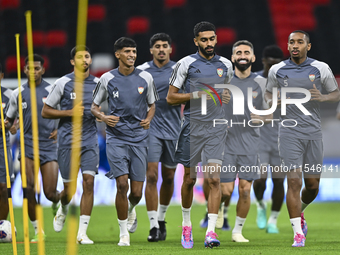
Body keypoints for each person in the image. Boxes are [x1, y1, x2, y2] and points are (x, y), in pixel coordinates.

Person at [265, 30, 340, 247]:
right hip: (288, 132)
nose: (294, 45)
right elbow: (269, 94)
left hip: (313, 132)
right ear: (287, 46)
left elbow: (335, 93)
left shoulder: (320, 68)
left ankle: (301, 211)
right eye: (291, 42)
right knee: (294, 180)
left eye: (299, 42)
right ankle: (298, 233)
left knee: (313, 185)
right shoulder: (278, 70)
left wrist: (324, 97)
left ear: (309, 46)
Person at [167, 21, 233, 249]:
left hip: (216, 128)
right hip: (193, 127)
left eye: (211, 39)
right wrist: (197, 94)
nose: (208, 43)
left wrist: (225, 97)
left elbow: (226, 92)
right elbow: (171, 97)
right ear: (196, 41)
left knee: (214, 179)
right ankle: (186, 225)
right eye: (203, 40)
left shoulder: (226, 65)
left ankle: (211, 232)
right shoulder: (185, 64)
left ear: (216, 39)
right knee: (189, 179)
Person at [91, 37, 158, 247]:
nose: (132, 55)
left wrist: (148, 119)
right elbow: (93, 107)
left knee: (137, 192)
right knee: (121, 185)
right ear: (118, 54)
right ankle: (123, 234)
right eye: (127, 51)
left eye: (134, 51)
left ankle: (131, 208)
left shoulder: (145, 77)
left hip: (139, 138)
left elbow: (152, 105)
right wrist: (103, 117)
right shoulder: (107, 78)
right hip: (116, 137)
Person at [41, 46, 99, 244]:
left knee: (89, 183)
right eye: (80, 57)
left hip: (90, 139)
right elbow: (46, 111)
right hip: (67, 142)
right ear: (72, 62)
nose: (85, 60)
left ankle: (82, 233)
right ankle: (63, 208)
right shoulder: (63, 83)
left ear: (90, 61)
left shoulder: (99, 84)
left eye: (87, 56)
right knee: (69, 191)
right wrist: (69, 113)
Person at [5, 55, 60, 242]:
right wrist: (11, 125)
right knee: (28, 188)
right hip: (27, 146)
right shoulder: (17, 93)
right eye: (30, 68)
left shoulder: (52, 90)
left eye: (37, 68)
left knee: (50, 192)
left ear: (43, 70)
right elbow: (10, 119)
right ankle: (39, 231)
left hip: (49, 146)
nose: (33, 71)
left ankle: (57, 202)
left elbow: (65, 115)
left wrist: (60, 130)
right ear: (24, 70)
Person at [220, 40, 270, 243]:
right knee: (226, 190)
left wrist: (261, 117)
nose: (242, 55)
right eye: (238, 52)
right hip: (226, 143)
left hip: (250, 143)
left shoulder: (261, 83)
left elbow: (272, 113)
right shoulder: (224, 82)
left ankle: (237, 231)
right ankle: (219, 207)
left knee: (245, 189)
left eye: (246, 52)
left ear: (253, 58)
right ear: (233, 57)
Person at [137, 33, 181, 242]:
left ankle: (162, 219)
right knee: (152, 175)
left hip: (174, 128)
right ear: (151, 50)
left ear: (170, 49)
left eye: (165, 45)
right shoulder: (142, 71)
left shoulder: (179, 70)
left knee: (170, 177)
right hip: (150, 128)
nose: (161, 49)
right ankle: (153, 225)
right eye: (157, 46)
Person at [253, 45, 284, 233]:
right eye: (270, 64)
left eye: (277, 65)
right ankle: (260, 205)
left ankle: (273, 220)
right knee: (260, 180)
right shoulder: (254, 81)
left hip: (281, 139)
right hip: (259, 139)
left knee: (279, 181)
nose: (273, 68)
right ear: (263, 61)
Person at [0, 63, 16, 222]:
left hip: (2, 146)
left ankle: (1, 225)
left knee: (4, 188)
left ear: (2, 76)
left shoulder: (10, 96)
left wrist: (12, 126)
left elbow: (16, 121)